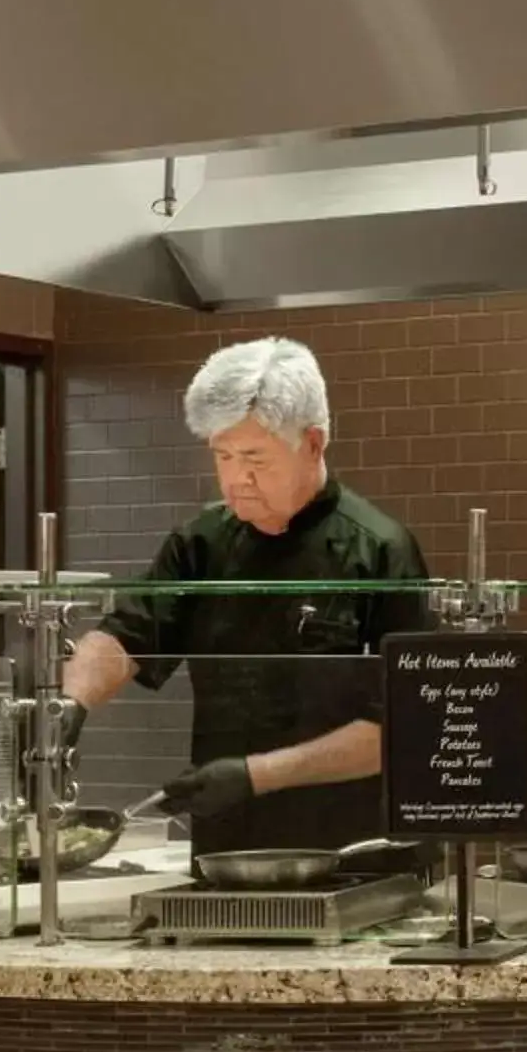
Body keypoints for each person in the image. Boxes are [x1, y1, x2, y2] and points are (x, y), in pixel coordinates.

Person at [60, 339, 431, 855]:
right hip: (226, 851)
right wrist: (69, 704)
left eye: (255, 458)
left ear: (314, 444)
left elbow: (398, 729)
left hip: (353, 855)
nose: (237, 478)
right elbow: (127, 636)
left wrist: (255, 775)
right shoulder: (201, 543)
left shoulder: (381, 551)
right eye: (223, 456)